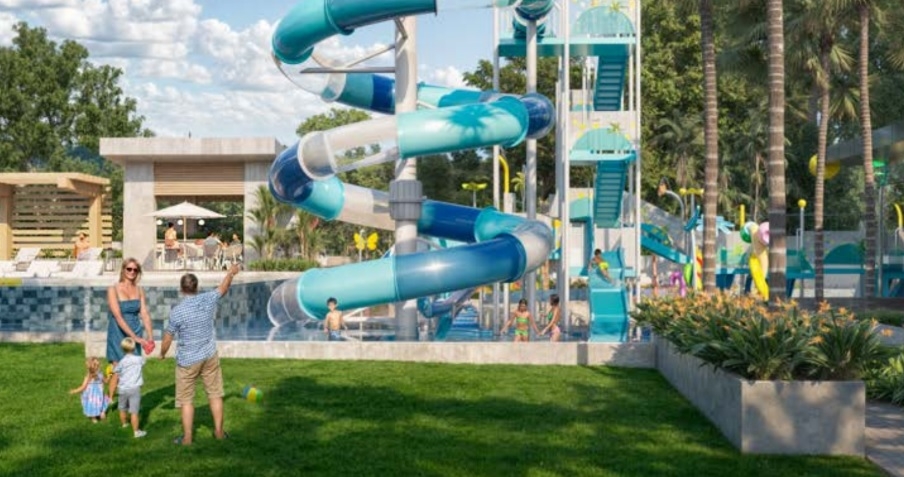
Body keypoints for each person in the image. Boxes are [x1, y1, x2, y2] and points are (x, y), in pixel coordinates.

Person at [160, 263, 240, 446]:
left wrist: (162, 353)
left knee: (186, 400)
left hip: (187, 361)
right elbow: (223, 287)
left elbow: (168, 337)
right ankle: (219, 433)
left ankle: (187, 439)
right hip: (209, 356)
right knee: (215, 394)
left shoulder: (177, 312)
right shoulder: (208, 298)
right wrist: (231, 273)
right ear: (196, 287)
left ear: (182, 289)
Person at [106, 258, 153, 403]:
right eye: (129, 269)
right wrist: (135, 338)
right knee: (118, 368)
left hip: (135, 329)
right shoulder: (113, 289)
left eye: (135, 270)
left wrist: (150, 336)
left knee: (133, 368)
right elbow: (118, 317)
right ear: (123, 270)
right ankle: (109, 400)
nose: (132, 272)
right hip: (118, 331)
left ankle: (129, 402)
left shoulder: (139, 290)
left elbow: (144, 313)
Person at [113, 338, 147, 438]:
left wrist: (109, 374)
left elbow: (115, 371)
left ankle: (124, 424)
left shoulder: (121, 362)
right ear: (134, 348)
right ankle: (136, 432)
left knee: (122, 408)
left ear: (122, 349)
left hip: (122, 389)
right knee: (134, 412)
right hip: (134, 389)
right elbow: (144, 361)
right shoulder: (139, 359)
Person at [69, 356, 109, 423]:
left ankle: (94, 418)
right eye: (98, 365)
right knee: (100, 404)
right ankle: (101, 414)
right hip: (99, 395)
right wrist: (110, 374)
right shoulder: (100, 374)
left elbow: (83, 387)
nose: (99, 366)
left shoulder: (89, 376)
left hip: (92, 396)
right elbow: (106, 381)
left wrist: (74, 391)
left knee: (92, 405)